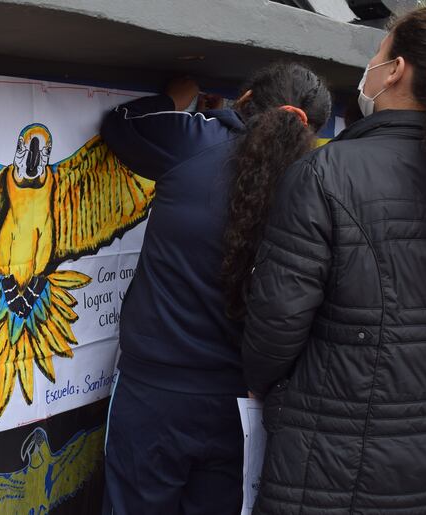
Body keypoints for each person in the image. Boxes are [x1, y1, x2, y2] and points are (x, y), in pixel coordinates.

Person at [238, 6, 426, 514]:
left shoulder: (325, 172)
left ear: (396, 71)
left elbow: (277, 323)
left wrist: (265, 385)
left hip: (330, 461)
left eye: (378, 52)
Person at [99, 63, 331, 514]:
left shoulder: (194, 142)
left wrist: (178, 101)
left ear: (245, 101)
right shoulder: (316, 184)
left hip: (154, 391)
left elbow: (121, 127)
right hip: (241, 404)